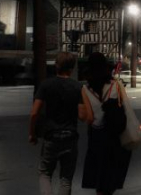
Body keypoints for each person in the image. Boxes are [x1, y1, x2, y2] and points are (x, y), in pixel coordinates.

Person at [29, 52, 92, 195]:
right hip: (70, 137)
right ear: (72, 68)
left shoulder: (46, 85)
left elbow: (34, 113)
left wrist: (32, 134)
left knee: (45, 173)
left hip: (51, 136)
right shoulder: (77, 87)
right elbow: (83, 116)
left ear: (56, 65)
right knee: (66, 179)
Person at [82, 52, 132, 194]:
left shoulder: (85, 90)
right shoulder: (116, 85)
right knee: (111, 174)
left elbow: (89, 118)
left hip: (96, 136)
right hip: (114, 135)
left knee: (98, 176)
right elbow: (125, 107)